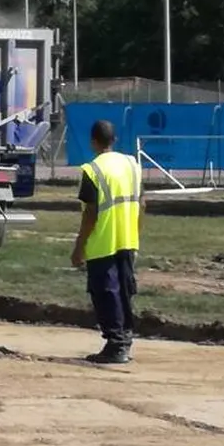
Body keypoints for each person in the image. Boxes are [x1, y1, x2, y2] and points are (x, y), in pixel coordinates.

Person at [72, 119, 144, 366]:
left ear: (93, 141)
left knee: (106, 294)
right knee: (124, 292)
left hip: (102, 242)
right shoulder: (131, 164)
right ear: (114, 140)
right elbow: (142, 203)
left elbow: (90, 214)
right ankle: (124, 339)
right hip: (127, 239)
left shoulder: (92, 170)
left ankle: (116, 345)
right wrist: (136, 233)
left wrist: (79, 247)